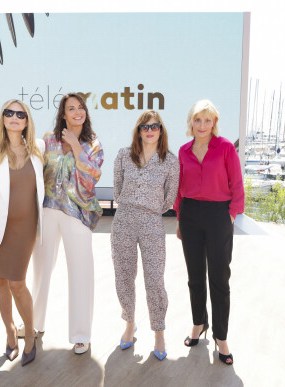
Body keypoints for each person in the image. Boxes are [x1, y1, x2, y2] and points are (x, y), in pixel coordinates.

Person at [30, 93, 103, 354]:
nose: (77, 112)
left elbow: (92, 178)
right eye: (71, 108)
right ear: (63, 114)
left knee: (81, 273)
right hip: (48, 211)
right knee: (41, 269)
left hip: (79, 214)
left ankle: (81, 334)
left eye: (81, 107)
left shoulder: (92, 144)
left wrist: (76, 145)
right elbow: (35, 175)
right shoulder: (48, 140)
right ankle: (33, 324)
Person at [0, 100, 44, 367]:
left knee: (17, 283)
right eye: (9, 113)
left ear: (27, 121)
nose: (14, 117)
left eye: (20, 114)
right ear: (2, 118)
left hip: (24, 230)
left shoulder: (38, 151)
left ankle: (30, 336)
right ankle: (10, 331)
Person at [174, 100, 244, 365]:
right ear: (191, 122)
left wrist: (230, 214)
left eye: (207, 120)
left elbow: (236, 184)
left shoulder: (225, 147)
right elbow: (180, 188)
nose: (202, 125)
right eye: (197, 120)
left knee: (219, 277)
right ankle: (198, 323)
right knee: (194, 276)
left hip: (218, 215)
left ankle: (221, 336)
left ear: (214, 122)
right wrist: (180, 218)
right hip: (190, 214)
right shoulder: (183, 151)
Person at [111, 110, 179, 361]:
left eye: (155, 126)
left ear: (161, 130)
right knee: (124, 275)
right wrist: (132, 205)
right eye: (144, 127)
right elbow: (117, 190)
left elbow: (169, 197)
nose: (150, 130)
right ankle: (129, 322)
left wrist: (150, 210)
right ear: (138, 131)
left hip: (152, 222)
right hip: (124, 220)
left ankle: (159, 331)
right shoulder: (123, 156)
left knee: (154, 279)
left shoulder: (170, 161)